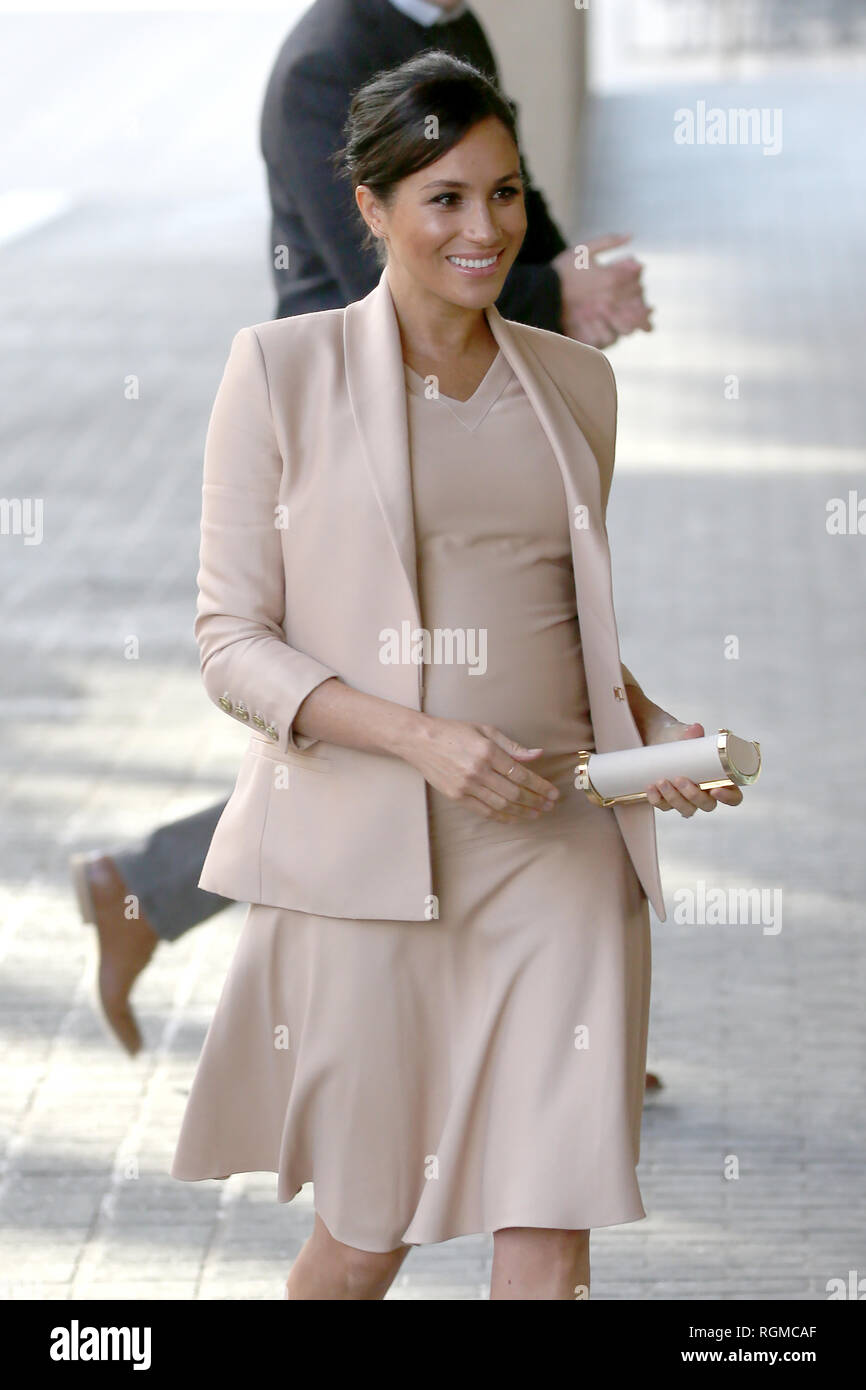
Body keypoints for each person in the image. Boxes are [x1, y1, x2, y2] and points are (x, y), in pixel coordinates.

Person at [169, 52, 743, 1301]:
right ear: (369, 207)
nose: (482, 228)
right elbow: (231, 644)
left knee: (550, 1210)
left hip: (562, 842)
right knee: (371, 1228)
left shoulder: (575, 384)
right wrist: (421, 740)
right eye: (443, 197)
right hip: (376, 857)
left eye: (503, 193)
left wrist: (654, 729)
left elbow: (560, 609)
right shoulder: (280, 372)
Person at [70, 0, 652, 1059]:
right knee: (389, 737)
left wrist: (573, 285)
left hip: (458, 426)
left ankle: (549, 991)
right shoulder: (322, 63)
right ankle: (150, 891)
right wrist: (551, 295)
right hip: (352, 459)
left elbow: (500, 195)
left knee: (434, 724)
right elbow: (376, 277)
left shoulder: (451, 29)